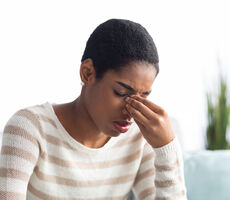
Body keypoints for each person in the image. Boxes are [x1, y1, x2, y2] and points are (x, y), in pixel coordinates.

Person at [0, 19, 187, 200]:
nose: (131, 111)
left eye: (144, 96)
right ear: (87, 73)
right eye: (121, 92)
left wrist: (166, 149)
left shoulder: (139, 139)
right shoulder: (30, 128)